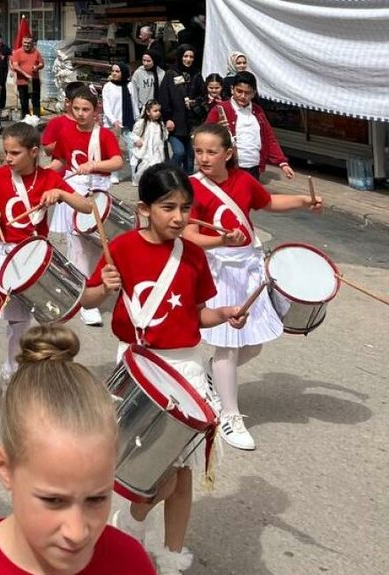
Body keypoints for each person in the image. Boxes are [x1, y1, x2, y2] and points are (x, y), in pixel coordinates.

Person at [80, 163, 247, 575]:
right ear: (144, 209)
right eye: (168, 207)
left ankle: (171, 555)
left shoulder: (192, 254)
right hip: (138, 367)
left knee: (180, 474)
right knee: (131, 463)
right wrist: (104, 289)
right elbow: (87, 300)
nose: (178, 217)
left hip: (185, 370)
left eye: (185, 208)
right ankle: (124, 526)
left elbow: (198, 314)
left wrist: (224, 313)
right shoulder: (120, 248)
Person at [0, 325, 156, 575]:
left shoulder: (131, 563)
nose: (77, 532)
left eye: (96, 499)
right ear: (6, 468)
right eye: (53, 500)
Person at [183, 123, 322, 451]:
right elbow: (188, 233)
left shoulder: (243, 180)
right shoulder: (191, 188)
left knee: (254, 343)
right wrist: (219, 239)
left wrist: (304, 200)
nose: (203, 157)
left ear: (228, 153)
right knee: (229, 345)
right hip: (219, 271)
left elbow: (268, 202)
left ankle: (212, 375)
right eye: (199, 151)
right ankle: (228, 415)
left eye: (211, 151)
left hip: (249, 267)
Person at [0, 123, 91, 385]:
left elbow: (86, 207)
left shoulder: (49, 178)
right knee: (16, 322)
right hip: (6, 256)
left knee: (44, 318)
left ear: (34, 152)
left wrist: (61, 192)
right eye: (6, 152)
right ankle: (12, 372)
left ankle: (33, 372)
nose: (7, 158)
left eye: (15, 153)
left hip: (35, 258)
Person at [47, 87, 124, 326]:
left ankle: (96, 287)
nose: (80, 113)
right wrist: (40, 176)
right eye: (76, 108)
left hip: (98, 192)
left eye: (85, 109)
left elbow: (117, 161)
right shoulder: (66, 132)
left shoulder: (104, 135)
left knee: (100, 246)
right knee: (78, 247)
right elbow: (60, 161)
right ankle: (85, 300)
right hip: (74, 191)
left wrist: (94, 164)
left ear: (95, 111)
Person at [206, 72, 293, 181]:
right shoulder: (220, 109)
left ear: (253, 93)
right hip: (229, 167)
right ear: (232, 89)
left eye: (247, 93)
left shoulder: (258, 111)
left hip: (254, 168)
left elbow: (269, 138)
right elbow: (205, 136)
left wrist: (282, 163)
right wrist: (217, 129)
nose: (243, 96)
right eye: (239, 91)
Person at [158, 45, 205, 174]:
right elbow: (163, 98)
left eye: (191, 57)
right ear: (180, 57)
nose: (188, 59)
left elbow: (203, 95)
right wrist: (167, 119)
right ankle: (169, 176)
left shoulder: (196, 74)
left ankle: (187, 186)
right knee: (179, 153)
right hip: (175, 123)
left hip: (192, 124)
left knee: (190, 159)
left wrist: (195, 102)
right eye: (185, 56)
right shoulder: (170, 74)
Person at [102, 63, 136, 184]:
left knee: (132, 149)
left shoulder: (130, 85)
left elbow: (134, 103)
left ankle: (134, 175)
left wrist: (136, 119)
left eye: (118, 71)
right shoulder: (108, 86)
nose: (114, 74)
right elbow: (106, 105)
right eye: (113, 71)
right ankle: (114, 173)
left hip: (128, 122)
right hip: (113, 123)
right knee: (114, 149)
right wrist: (113, 120)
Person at [40, 81, 84, 155]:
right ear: (67, 102)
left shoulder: (88, 122)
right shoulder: (56, 123)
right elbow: (47, 150)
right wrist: (67, 139)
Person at [131, 100, 168, 185]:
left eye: (159, 111)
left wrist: (166, 130)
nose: (158, 113)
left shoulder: (160, 125)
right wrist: (137, 140)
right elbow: (133, 135)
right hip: (146, 152)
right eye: (155, 111)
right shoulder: (142, 123)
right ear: (148, 112)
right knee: (145, 168)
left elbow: (164, 137)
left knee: (157, 168)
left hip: (157, 152)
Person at [9, 34, 45, 120]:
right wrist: (25, 74)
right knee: (24, 101)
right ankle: (25, 119)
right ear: (22, 42)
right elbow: (15, 66)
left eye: (29, 43)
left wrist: (37, 67)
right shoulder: (17, 52)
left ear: (32, 43)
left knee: (35, 101)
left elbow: (42, 63)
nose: (26, 45)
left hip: (34, 80)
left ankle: (36, 119)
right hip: (22, 82)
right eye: (25, 42)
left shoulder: (36, 52)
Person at [130, 50, 165, 118]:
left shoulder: (161, 73)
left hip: (158, 110)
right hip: (144, 110)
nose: (145, 63)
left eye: (148, 61)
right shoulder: (138, 73)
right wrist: (137, 110)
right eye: (144, 60)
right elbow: (134, 93)